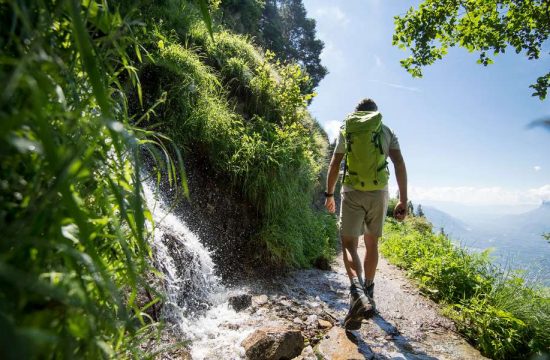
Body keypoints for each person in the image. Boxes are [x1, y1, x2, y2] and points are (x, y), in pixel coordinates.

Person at [324, 98, 408, 330]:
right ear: (375, 114)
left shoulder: (348, 129)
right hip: (379, 192)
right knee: (372, 243)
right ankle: (368, 292)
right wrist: (402, 199)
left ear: (356, 113)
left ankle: (357, 291)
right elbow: (399, 163)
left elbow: (335, 164)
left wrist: (329, 194)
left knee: (350, 244)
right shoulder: (386, 129)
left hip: (352, 191)